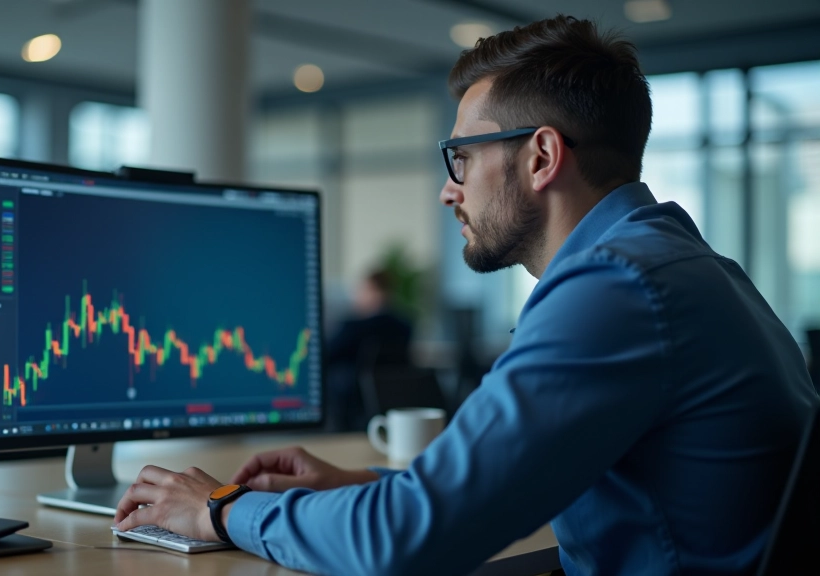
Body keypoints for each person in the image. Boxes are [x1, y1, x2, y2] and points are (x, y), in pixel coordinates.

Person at [114, 15, 818, 575]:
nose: (449, 188)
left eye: (463, 157)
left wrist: (222, 509)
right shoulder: (685, 264)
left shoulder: (616, 289)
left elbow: (404, 544)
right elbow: (520, 481)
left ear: (541, 157)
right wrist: (361, 486)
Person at [326, 269, 413, 431]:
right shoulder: (404, 326)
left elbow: (328, 354)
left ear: (374, 291)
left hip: (353, 400)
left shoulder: (354, 327)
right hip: (393, 396)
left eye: (361, 290)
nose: (357, 296)